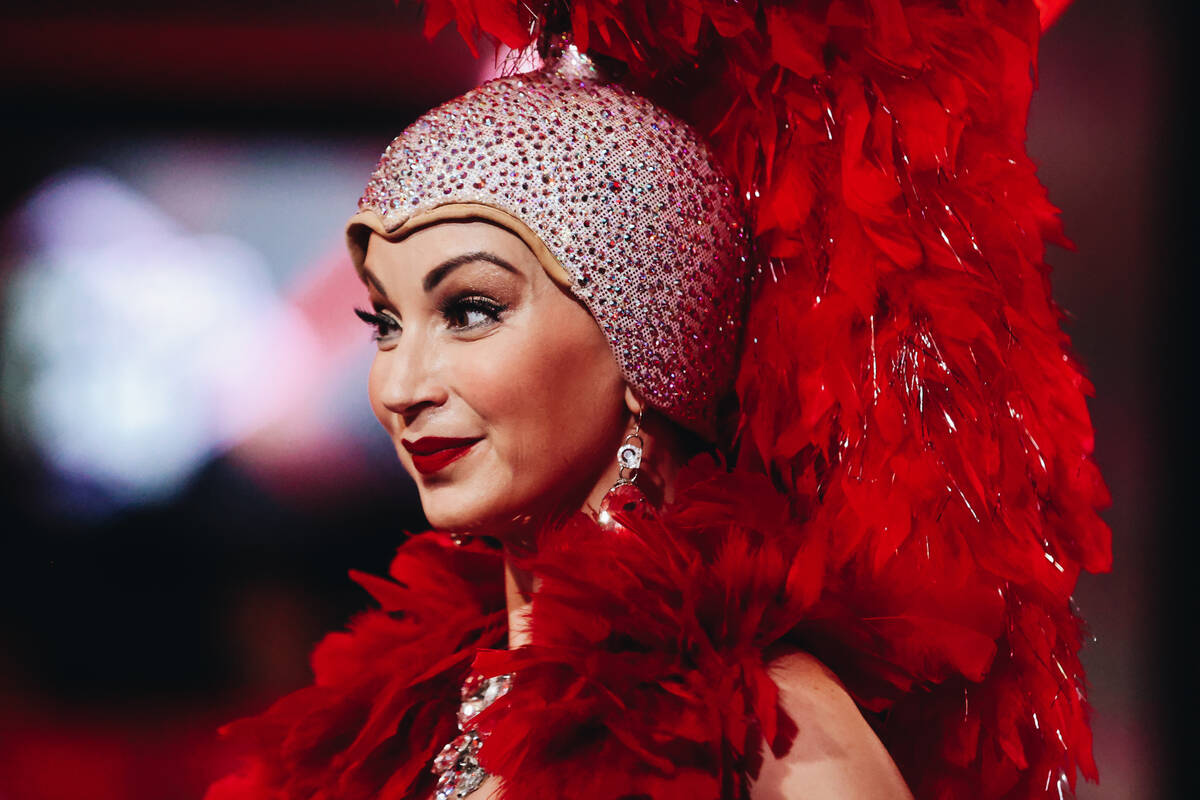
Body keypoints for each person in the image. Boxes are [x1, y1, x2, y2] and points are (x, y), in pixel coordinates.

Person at [207, 2, 1111, 799]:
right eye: (387, 324)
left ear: (647, 343)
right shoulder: (412, 721)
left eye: (470, 310)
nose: (400, 388)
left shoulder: (768, 723)